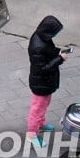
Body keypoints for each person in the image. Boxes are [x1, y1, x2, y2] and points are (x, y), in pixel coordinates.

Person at [26, 15, 68, 147]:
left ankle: (41, 124)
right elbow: (43, 68)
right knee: (37, 108)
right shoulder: (38, 46)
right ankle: (32, 134)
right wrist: (59, 59)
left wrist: (57, 52)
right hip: (41, 83)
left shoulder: (42, 37)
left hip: (45, 83)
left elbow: (48, 51)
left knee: (44, 104)